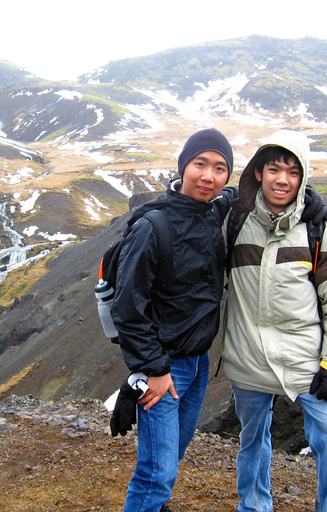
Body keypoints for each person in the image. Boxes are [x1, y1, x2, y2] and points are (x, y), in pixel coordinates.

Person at [221, 130, 327, 512]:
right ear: (258, 173)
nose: (282, 180)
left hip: (304, 361)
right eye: (274, 169)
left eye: (293, 172)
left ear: (303, 179)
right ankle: (253, 506)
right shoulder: (234, 223)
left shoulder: (320, 230)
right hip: (247, 355)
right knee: (252, 439)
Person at [110, 127, 236, 512]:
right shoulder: (153, 227)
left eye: (220, 168)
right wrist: (154, 369)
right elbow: (128, 308)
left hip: (198, 364)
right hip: (165, 367)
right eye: (200, 164)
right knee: (156, 472)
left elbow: (248, 192)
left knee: (171, 457)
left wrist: (307, 199)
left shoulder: (214, 209)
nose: (208, 176)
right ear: (183, 167)